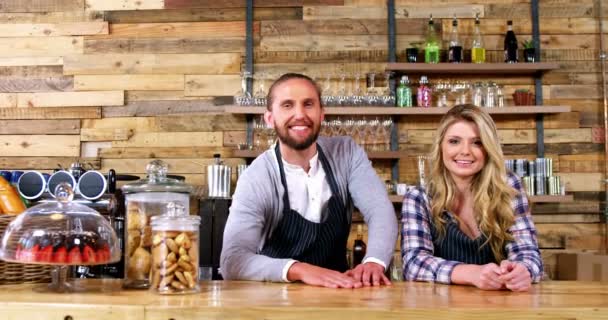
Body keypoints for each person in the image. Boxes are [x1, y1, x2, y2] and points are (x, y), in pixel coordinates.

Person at [221, 73, 398, 288]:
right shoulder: (257, 177)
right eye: (287, 105)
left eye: (308, 104)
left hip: (339, 292)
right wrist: (300, 270)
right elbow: (233, 260)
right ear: (269, 119)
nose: (300, 114)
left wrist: (374, 261)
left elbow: (379, 209)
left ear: (321, 114)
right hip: (274, 300)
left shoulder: (346, 152)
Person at [401, 104, 542, 292]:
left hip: (501, 304)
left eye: (477, 142)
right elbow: (413, 263)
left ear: (488, 149)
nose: (465, 151)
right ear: (440, 147)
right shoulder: (419, 198)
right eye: (454, 141)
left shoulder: (508, 187)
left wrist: (523, 270)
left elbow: (527, 251)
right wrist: (471, 273)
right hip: (440, 308)